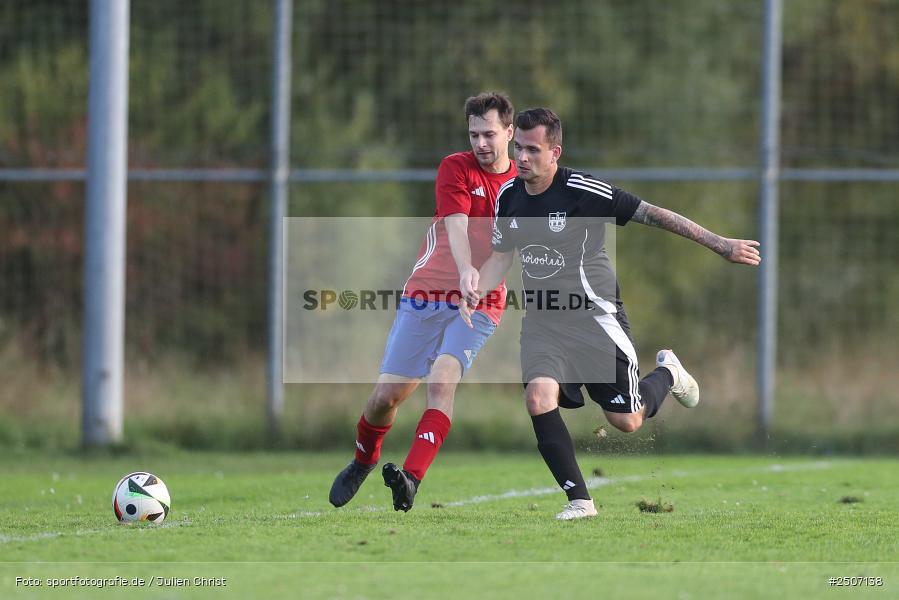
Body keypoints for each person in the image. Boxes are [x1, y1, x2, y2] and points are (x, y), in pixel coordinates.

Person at [461, 107, 760, 520]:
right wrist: (477, 285)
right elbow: (500, 256)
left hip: (596, 320)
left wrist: (720, 244)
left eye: (533, 149)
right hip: (544, 324)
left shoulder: (583, 191)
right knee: (538, 397)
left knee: (626, 421)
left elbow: (656, 215)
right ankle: (581, 502)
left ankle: (669, 373)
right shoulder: (508, 197)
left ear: (555, 152)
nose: (523, 157)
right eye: (519, 148)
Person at [329, 92, 517, 512]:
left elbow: (508, 254)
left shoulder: (525, 182)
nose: (481, 143)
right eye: (474, 134)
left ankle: (411, 479)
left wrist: (478, 284)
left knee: (442, 380)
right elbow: (456, 225)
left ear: (510, 131)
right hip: (428, 291)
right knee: (386, 397)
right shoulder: (455, 167)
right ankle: (364, 459)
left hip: (482, 301)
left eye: (489, 134)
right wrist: (466, 269)